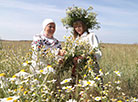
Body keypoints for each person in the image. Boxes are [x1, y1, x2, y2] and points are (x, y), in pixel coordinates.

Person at [71, 20, 102, 86]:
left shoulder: (91, 36)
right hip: (78, 66)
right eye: (76, 27)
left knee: (93, 84)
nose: (78, 29)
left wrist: (86, 56)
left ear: (84, 26)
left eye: (79, 26)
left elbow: (96, 50)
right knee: (78, 85)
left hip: (89, 64)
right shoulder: (76, 39)